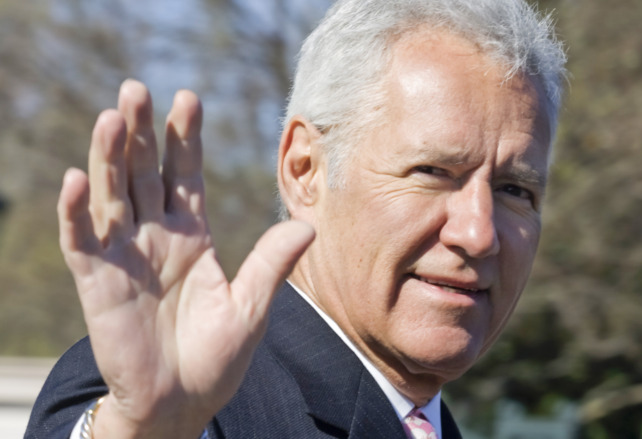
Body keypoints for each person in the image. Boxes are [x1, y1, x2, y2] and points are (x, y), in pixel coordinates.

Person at [25, 0, 566, 437]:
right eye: (433, 171)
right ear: (304, 169)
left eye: (514, 189)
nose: (478, 233)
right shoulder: (195, 397)